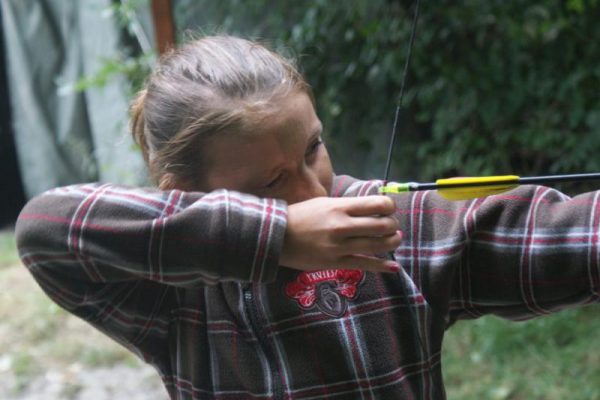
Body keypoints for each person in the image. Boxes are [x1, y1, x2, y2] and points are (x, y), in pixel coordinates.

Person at [15, 35, 600, 400]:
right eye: (271, 182)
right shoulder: (178, 290)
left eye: (313, 149)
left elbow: (568, 238)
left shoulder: (386, 229)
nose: (312, 189)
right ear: (185, 192)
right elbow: (45, 230)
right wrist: (276, 236)